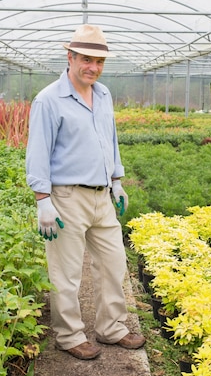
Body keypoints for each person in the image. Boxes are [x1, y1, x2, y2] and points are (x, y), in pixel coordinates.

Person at [25, 24, 146, 360]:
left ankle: (112, 328)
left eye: (99, 61)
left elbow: (110, 140)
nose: (93, 67)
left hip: (101, 196)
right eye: (87, 60)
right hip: (67, 198)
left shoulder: (104, 94)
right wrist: (43, 201)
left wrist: (117, 180)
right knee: (66, 272)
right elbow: (38, 151)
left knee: (113, 263)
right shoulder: (49, 100)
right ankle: (69, 335)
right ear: (70, 57)